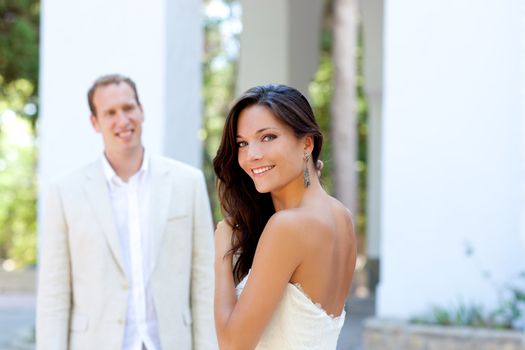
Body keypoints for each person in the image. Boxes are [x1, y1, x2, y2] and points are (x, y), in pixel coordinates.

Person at [36, 74, 217, 350]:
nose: (122, 120)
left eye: (128, 108)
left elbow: (205, 282)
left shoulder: (187, 183)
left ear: (141, 111)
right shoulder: (65, 191)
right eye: (110, 112)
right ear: (95, 122)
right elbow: (54, 293)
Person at [213, 84, 357, 349]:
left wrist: (222, 254)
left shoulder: (287, 227)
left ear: (307, 143)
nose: (251, 155)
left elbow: (233, 344)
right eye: (242, 143)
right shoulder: (341, 216)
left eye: (267, 137)